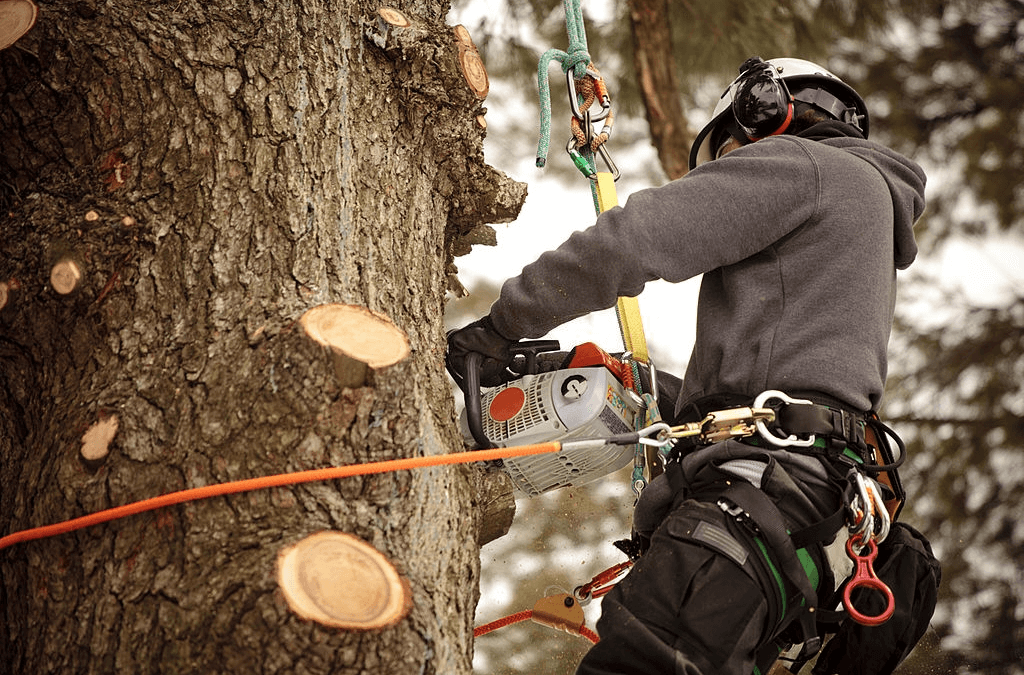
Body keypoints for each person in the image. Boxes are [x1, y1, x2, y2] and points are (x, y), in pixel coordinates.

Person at [447, 57, 937, 674]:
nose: (733, 166)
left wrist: (500, 328)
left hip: (751, 507)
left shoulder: (805, 165)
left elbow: (636, 240)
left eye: (732, 149)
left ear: (767, 113)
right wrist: (647, 388)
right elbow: (792, 391)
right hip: (807, 520)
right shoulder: (863, 209)